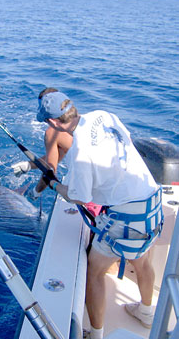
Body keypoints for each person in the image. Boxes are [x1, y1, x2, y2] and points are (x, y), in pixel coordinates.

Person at [33, 90, 163, 339]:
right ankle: (146, 313)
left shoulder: (81, 154)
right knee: (143, 260)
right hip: (153, 202)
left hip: (128, 216)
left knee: (94, 271)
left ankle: (96, 334)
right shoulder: (105, 115)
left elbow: (79, 196)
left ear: (51, 122)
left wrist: (52, 184)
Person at [11, 88, 102, 217]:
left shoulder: (52, 132)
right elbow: (58, 155)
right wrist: (29, 165)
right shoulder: (89, 120)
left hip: (91, 197)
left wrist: (36, 193)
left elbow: (50, 171)